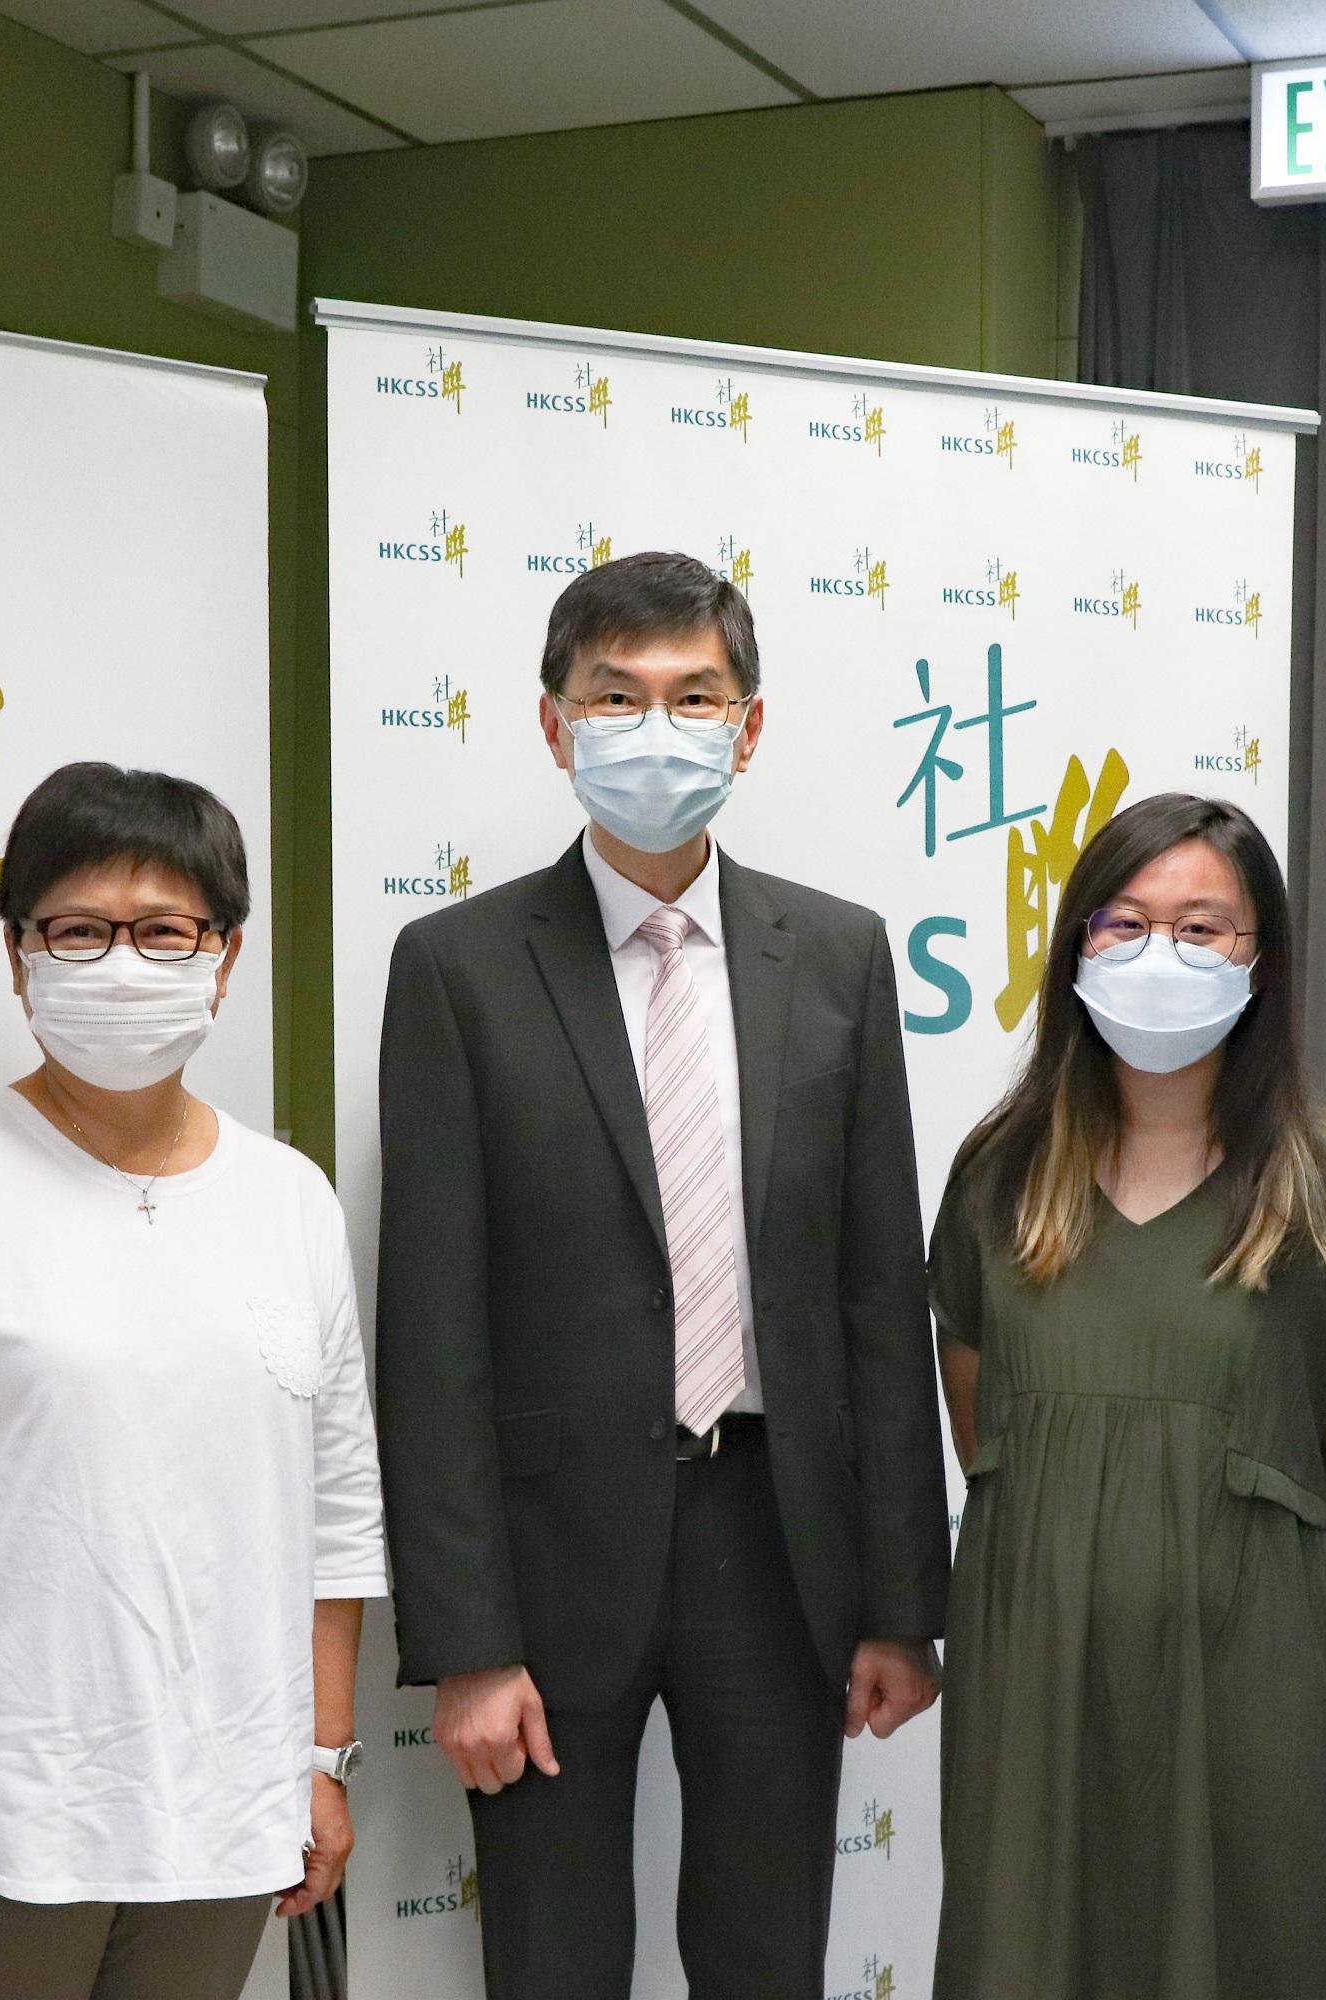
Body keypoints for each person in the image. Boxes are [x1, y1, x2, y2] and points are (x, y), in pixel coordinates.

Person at [373, 551, 952, 1998]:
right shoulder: (456, 966)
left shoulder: (839, 955)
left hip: (779, 1539)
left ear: (748, 727)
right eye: (615, 695)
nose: (657, 728)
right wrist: (465, 1641)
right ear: (553, 723)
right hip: (546, 1555)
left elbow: (880, 1298)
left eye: (695, 696)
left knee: (767, 1956)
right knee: (553, 1958)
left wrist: (902, 1599)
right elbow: (431, 1328)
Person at [0, 764, 384, 2000]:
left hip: (230, 1804)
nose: (121, 962)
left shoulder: (289, 1197)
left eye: (164, 931)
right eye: (77, 930)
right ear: (18, 956)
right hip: (10, 1809)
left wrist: (322, 1754)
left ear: (225, 956)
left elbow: (336, 1515)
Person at [927, 792, 1326, 2000]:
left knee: (1243, 1951)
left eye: (1203, 927)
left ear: (1262, 957)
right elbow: (984, 1422)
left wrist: (1270, 1623)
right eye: (1126, 921)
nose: (1162, 952)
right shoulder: (1002, 1170)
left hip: (1257, 1673)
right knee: (1025, 1955)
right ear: (1075, 945)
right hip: (1033, 1661)